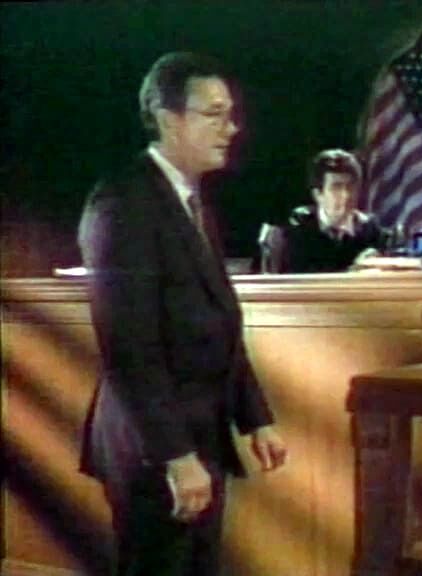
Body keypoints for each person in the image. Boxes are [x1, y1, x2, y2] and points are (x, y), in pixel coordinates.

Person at [78, 51, 287, 576]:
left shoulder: (190, 201)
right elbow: (129, 348)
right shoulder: (122, 203)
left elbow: (217, 322)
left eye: (231, 114)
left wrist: (255, 418)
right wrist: (175, 456)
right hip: (154, 451)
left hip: (201, 438)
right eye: (214, 114)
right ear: (168, 119)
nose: (231, 128)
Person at [280, 148, 390, 273]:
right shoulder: (299, 229)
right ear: (318, 194)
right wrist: (353, 272)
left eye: (350, 186)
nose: (346, 195)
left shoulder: (371, 231)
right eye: (336, 187)